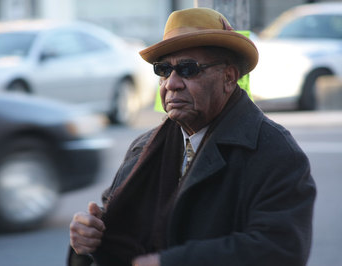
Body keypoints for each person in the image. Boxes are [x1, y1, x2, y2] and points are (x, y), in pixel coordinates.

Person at [68, 7, 316, 266]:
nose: (171, 83)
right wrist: (85, 241)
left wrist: (170, 262)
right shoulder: (143, 148)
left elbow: (280, 250)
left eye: (187, 69)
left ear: (228, 78)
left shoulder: (274, 151)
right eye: (163, 70)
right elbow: (108, 227)